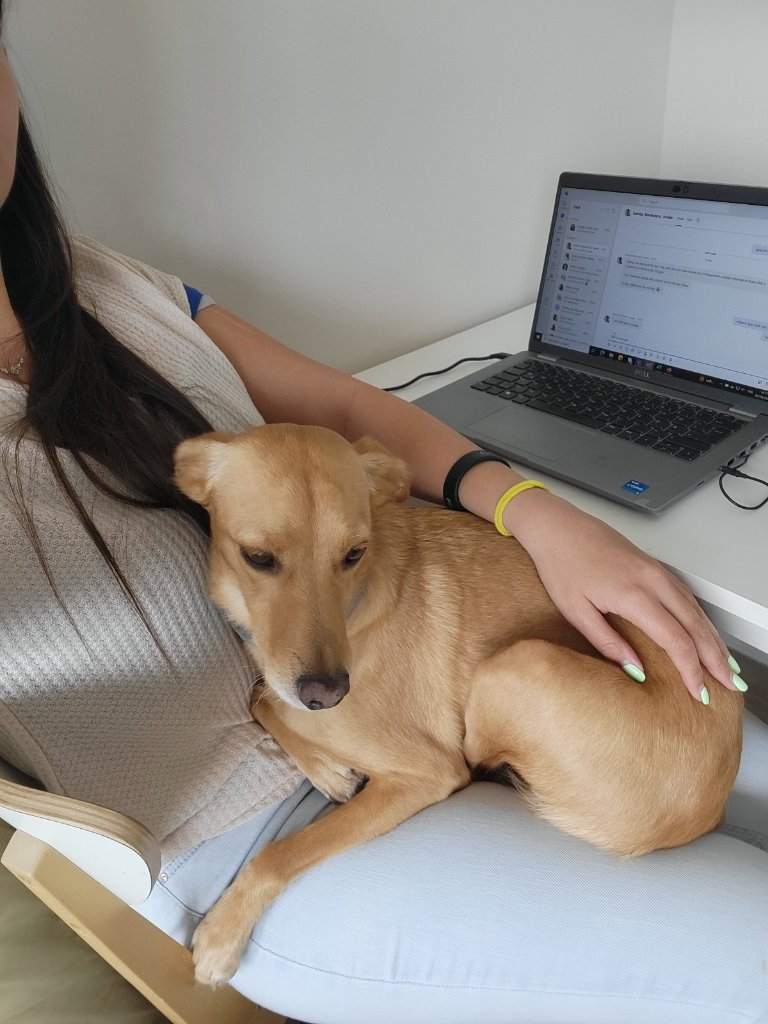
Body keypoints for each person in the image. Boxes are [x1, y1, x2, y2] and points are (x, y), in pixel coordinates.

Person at [0, 13, 766, 1024]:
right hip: (243, 826)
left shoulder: (110, 283)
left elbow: (345, 407)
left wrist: (537, 514)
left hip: (414, 701)